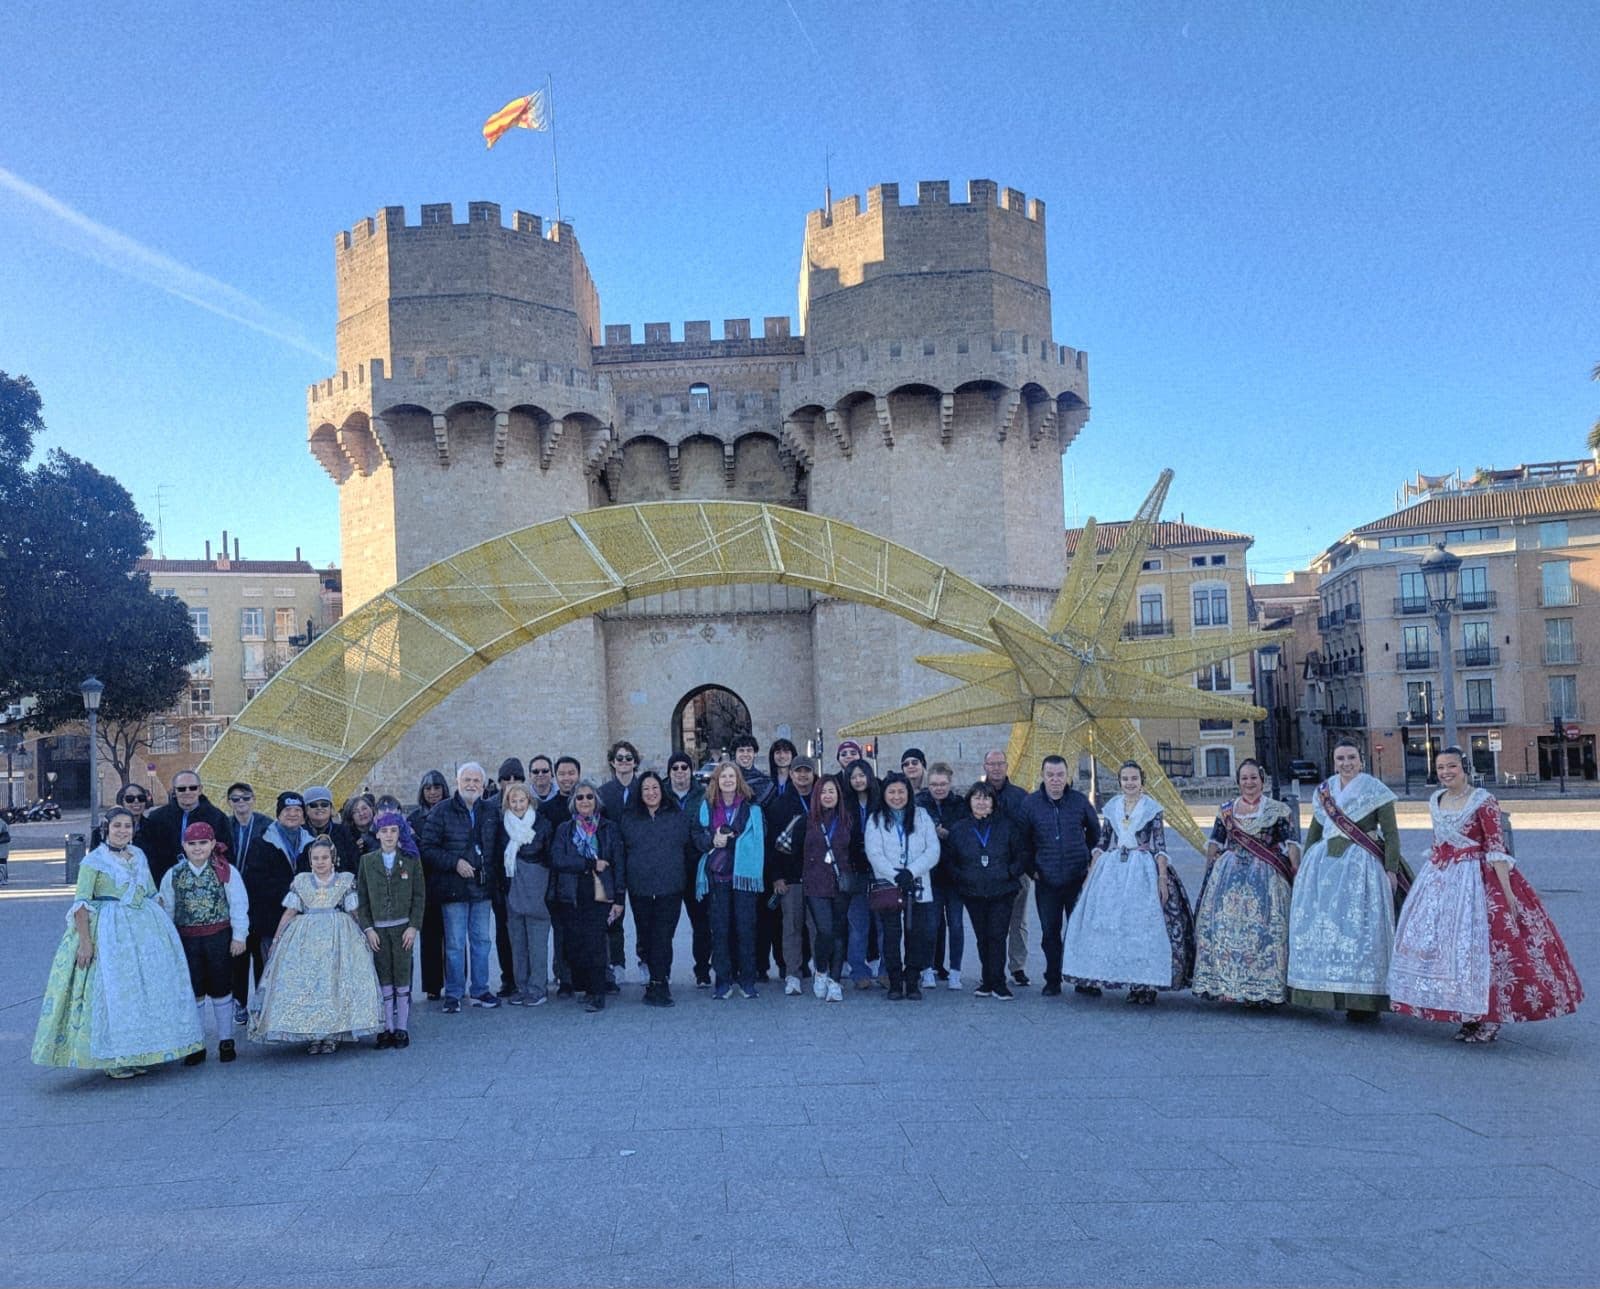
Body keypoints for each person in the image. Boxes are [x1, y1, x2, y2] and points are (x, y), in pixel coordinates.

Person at [1389, 747, 1583, 1042]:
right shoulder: (1435, 800)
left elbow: (1496, 847)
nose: (1446, 773)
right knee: (1452, 951)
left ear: (1464, 767)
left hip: (1480, 882)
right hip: (1443, 879)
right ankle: (1466, 1014)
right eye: (1441, 768)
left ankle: (1489, 1018)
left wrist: (1509, 895)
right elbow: (1438, 842)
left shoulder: (1484, 801)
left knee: (1484, 951)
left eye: (1452, 766)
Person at [33, 806, 203, 1076]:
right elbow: (81, 904)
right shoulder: (94, 862)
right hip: (110, 932)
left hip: (143, 930)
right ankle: (115, 1058)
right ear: (106, 829)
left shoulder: (138, 855)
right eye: (117, 826)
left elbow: (150, 891)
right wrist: (86, 943)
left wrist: (164, 927)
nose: (123, 831)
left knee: (140, 993)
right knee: (114, 993)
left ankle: (138, 1051)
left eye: (127, 826)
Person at [1287, 739, 1411, 1020]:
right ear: (1334, 762)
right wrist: (1306, 866)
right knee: (1327, 929)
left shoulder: (1375, 790)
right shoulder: (1324, 791)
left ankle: (1363, 1000)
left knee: (1360, 931)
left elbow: (1391, 834)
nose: (1346, 763)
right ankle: (1327, 993)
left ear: (1361, 760)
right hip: (1325, 864)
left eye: (1351, 757)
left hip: (1362, 865)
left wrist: (1391, 869)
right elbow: (1315, 831)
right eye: (1341, 758)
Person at [1063, 761, 1195, 1003]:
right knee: (1113, 926)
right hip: (1113, 870)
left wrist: (1162, 878)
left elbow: (1160, 846)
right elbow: (1103, 843)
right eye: (1125, 779)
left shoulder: (1152, 809)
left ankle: (1145, 985)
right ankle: (1113, 978)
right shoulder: (1113, 807)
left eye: (1134, 778)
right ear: (1120, 781)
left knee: (1143, 928)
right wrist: (1090, 877)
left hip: (1143, 869)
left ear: (1142, 781)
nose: (1130, 783)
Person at [249, 835, 384, 1053]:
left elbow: (354, 911)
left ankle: (332, 1034)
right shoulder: (301, 881)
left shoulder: (344, 880)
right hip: (305, 940)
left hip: (338, 939)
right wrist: (276, 939)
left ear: (333, 859)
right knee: (310, 986)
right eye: (316, 858)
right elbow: (290, 912)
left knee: (334, 986)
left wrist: (366, 932)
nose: (320, 862)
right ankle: (313, 1033)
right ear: (310, 861)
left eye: (324, 858)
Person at [1193, 760, 1299, 1007]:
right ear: (1238, 781)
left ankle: (1265, 989)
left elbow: (1291, 844)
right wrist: (1209, 871)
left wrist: (1296, 872)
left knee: (1269, 930)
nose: (1249, 783)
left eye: (1254, 778)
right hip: (1229, 874)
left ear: (1262, 780)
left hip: (1267, 875)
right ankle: (1229, 986)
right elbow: (1216, 842)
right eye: (1244, 778)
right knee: (1221, 928)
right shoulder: (1227, 810)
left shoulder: (1278, 810)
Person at [157, 823, 249, 1066]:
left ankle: (226, 1039)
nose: (198, 848)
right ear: (184, 846)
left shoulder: (225, 871)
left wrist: (239, 935)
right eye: (192, 844)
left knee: (221, 987)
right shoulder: (174, 874)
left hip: (219, 936)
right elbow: (167, 908)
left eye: (203, 843)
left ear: (211, 844)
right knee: (193, 990)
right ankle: (196, 1042)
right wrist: (168, 941)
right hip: (187, 939)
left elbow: (238, 903)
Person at [419, 763, 503, 1014]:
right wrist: (455, 863)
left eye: (476, 780)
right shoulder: (441, 811)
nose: (471, 784)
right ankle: (454, 993)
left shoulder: (490, 811)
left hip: (481, 888)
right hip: (453, 889)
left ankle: (480, 989)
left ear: (483, 784)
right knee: (455, 944)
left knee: (481, 941)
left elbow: (495, 849)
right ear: (457, 782)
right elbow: (428, 848)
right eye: (467, 779)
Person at [1019, 754, 1100, 997]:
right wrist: (1033, 870)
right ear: (1042, 776)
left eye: (1060, 775)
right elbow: (1023, 842)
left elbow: (1095, 834)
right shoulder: (1030, 804)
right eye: (1050, 775)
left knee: (1079, 931)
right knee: (1049, 933)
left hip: (1077, 878)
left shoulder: (1079, 802)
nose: (1055, 780)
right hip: (1047, 880)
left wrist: (1088, 862)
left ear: (1068, 776)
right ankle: (1052, 979)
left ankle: (1083, 979)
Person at [618, 770, 698, 1006]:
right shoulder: (629, 818)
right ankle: (653, 978)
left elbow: (688, 845)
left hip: (670, 886)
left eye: (655, 788)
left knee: (663, 936)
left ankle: (659, 982)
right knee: (646, 935)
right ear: (639, 793)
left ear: (662, 791)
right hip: (640, 887)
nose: (651, 793)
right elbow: (623, 853)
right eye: (646, 789)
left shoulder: (677, 816)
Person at [946, 782, 1028, 999]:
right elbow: (950, 859)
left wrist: (1010, 872)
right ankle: (987, 980)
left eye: (986, 798)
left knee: (997, 935)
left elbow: (1021, 853)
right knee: (982, 937)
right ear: (970, 802)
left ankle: (999, 982)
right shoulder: (960, 828)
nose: (981, 802)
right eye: (977, 798)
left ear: (993, 802)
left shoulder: (1007, 826)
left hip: (1002, 890)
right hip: (973, 891)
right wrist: (962, 877)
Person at [547, 780, 623, 1013]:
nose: (585, 801)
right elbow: (558, 859)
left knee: (596, 943)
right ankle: (589, 989)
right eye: (579, 797)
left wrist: (620, 898)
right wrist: (590, 863)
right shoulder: (565, 829)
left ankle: (598, 993)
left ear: (596, 801)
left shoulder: (608, 828)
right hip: (572, 894)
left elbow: (619, 863)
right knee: (578, 945)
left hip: (600, 894)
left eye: (589, 797)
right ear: (573, 803)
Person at [692, 760, 767, 999]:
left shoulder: (751, 809)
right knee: (720, 930)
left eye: (731, 777)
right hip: (718, 876)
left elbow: (756, 839)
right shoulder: (706, 807)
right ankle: (723, 981)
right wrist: (711, 841)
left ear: (738, 781)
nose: (727, 781)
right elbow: (697, 834)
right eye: (723, 776)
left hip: (743, 876)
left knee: (746, 929)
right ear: (716, 780)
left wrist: (731, 841)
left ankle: (747, 980)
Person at [863, 771, 940, 1000]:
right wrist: (896, 875)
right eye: (892, 792)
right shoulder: (876, 819)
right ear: (884, 794)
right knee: (891, 935)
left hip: (917, 884)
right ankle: (895, 981)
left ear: (909, 793)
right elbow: (874, 852)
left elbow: (933, 849)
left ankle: (913, 979)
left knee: (919, 935)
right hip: (890, 886)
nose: (897, 797)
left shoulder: (922, 816)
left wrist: (912, 871)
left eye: (901, 792)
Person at [355, 810, 427, 1048]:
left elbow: (419, 895)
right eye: (384, 831)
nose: (388, 836)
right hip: (378, 930)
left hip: (402, 928)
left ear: (400, 833)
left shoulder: (410, 860)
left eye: (393, 831)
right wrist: (368, 928)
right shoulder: (367, 861)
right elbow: (362, 899)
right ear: (377, 833)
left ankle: (402, 1027)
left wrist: (413, 926)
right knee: (383, 975)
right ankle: (387, 1026)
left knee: (402, 975)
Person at [241, 792, 312, 1012]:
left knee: (301, 969)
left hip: (304, 920)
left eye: (297, 811)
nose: (292, 815)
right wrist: (291, 892)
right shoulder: (262, 842)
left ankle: (298, 1013)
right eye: (287, 810)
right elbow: (254, 881)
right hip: (271, 919)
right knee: (271, 968)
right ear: (279, 814)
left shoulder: (310, 842)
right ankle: (270, 1015)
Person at [220, 780, 272, 1026]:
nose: (241, 802)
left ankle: (261, 1004)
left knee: (261, 955)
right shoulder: (223, 825)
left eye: (245, 797)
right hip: (233, 898)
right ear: (229, 802)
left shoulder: (266, 825)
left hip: (260, 898)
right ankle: (239, 1003)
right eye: (235, 799)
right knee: (237, 954)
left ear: (253, 799)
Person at [497, 782, 553, 1006]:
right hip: (513, 889)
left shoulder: (542, 825)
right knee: (517, 941)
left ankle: (538, 988)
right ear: (507, 803)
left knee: (537, 941)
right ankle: (522, 986)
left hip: (536, 887)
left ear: (530, 801)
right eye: (514, 801)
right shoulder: (503, 827)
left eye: (522, 800)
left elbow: (549, 857)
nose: (518, 805)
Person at [981, 750, 1033, 988]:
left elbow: (1028, 833)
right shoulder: (977, 794)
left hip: (1016, 868)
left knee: (1018, 920)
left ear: (1006, 766)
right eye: (991, 764)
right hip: (986, 871)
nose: (996, 768)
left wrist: (1023, 865)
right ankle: (990, 968)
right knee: (989, 922)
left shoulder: (1020, 796)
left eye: (1000, 763)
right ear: (985, 766)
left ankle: (1017, 966)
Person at [801, 773, 854, 1003]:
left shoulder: (848, 820)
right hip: (815, 883)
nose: (828, 795)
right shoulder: (807, 821)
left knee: (840, 932)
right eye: (823, 791)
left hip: (841, 882)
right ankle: (821, 970)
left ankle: (835, 980)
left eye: (832, 791)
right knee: (825, 930)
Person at [764, 745, 812, 994]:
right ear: (791, 774)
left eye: (807, 771)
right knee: (791, 927)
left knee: (817, 927)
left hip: (817, 876)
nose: (803, 776)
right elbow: (772, 843)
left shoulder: (821, 800)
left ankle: (819, 969)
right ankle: (792, 972)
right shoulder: (780, 805)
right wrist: (776, 877)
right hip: (790, 876)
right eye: (798, 772)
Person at [919, 761, 967, 989]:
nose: (939, 788)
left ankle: (955, 970)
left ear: (950, 783)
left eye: (943, 784)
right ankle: (928, 969)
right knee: (930, 925)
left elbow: (964, 832)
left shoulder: (960, 804)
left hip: (955, 875)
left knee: (956, 924)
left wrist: (945, 833)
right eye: (934, 784)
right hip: (931, 874)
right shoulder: (920, 803)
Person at [668, 752, 713, 988]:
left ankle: (703, 970)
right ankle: (661, 971)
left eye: (684, 767)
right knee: (666, 925)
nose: (679, 771)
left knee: (701, 923)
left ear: (690, 770)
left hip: (697, 868)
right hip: (671, 867)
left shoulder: (703, 795)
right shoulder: (662, 795)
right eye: (674, 767)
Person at [141, 770, 229, 888]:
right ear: (174, 791)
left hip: (206, 885)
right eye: (181, 789)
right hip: (165, 882)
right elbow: (149, 853)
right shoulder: (157, 818)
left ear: (200, 789)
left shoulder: (217, 818)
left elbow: (226, 853)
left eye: (192, 788)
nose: (187, 792)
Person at [842, 759, 884, 989]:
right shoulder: (845, 805)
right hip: (855, 870)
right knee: (858, 924)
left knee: (883, 924)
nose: (858, 780)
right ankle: (858, 971)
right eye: (853, 776)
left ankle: (887, 969)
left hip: (880, 870)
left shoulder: (880, 802)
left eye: (861, 775)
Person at [410, 770, 450, 1000]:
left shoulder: (454, 814)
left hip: (448, 880)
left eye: (437, 787)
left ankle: (455, 982)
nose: (433, 792)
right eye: (428, 788)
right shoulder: (415, 819)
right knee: (430, 938)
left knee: (454, 938)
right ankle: (433, 985)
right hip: (425, 883)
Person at [300, 786, 361, 875]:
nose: (319, 808)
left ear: (331, 808)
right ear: (306, 810)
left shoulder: (343, 832)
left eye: (324, 804)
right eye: (314, 805)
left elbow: (354, 862)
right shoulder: (299, 833)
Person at [90, 782, 153, 852]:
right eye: (130, 799)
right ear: (121, 801)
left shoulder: (155, 829)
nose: (136, 801)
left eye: (141, 798)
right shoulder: (101, 833)